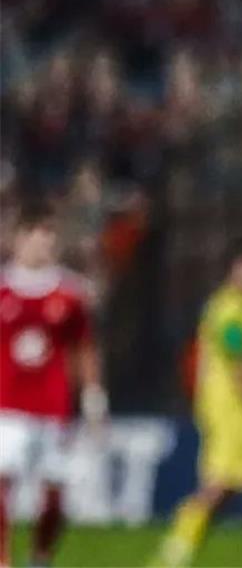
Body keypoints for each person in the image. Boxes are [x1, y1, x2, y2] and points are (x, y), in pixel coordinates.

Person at [154, 238, 242, 568]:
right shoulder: (229, 310)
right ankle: (172, 556)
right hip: (231, 411)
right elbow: (240, 364)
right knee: (218, 488)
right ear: (237, 267)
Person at [0, 204, 107, 568]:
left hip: (53, 407)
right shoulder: (3, 288)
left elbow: (85, 347)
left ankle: (40, 557)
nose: (43, 245)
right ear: (18, 239)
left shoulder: (70, 293)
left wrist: (93, 397)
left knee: (55, 497)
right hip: (6, 406)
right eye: (35, 237)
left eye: (49, 238)